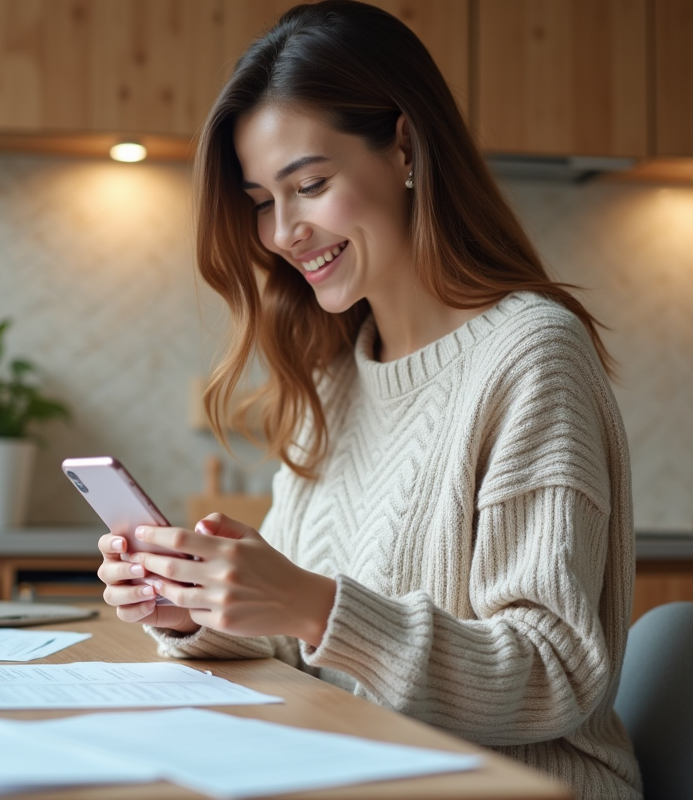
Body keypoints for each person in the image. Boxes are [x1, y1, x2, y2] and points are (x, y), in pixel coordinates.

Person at [96, 2, 642, 797]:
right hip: (360, 768)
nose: (282, 232)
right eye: (259, 201)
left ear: (407, 148)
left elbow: (553, 672)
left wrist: (315, 606)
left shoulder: (530, 353)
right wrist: (197, 608)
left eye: (309, 184)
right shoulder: (335, 377)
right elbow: (301, 640)